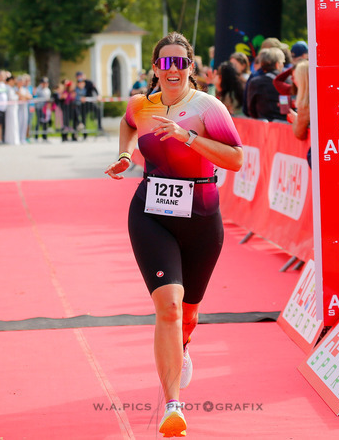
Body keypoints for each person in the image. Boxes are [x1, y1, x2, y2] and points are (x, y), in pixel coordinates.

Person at [104, 32, 243, 438]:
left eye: (180, 62)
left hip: (202, 216)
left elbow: (236, 158)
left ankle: (179, 348)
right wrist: (126, 155)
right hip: (151, 213)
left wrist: (189, 138)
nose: (173, 70)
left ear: (191, 67)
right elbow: (128, 125)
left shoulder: (207, 107)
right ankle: (173, 406)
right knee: (168, 308)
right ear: (154, 68)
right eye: (165, 63)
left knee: (189, 316)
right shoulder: (141, 105)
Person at [244, 47, 285, 121]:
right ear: (277, 64)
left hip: (262, 127)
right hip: (285, 126)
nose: (283, 66)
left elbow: (250, 109)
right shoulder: (287, 80)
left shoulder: (255, 82)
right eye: (282, 63)